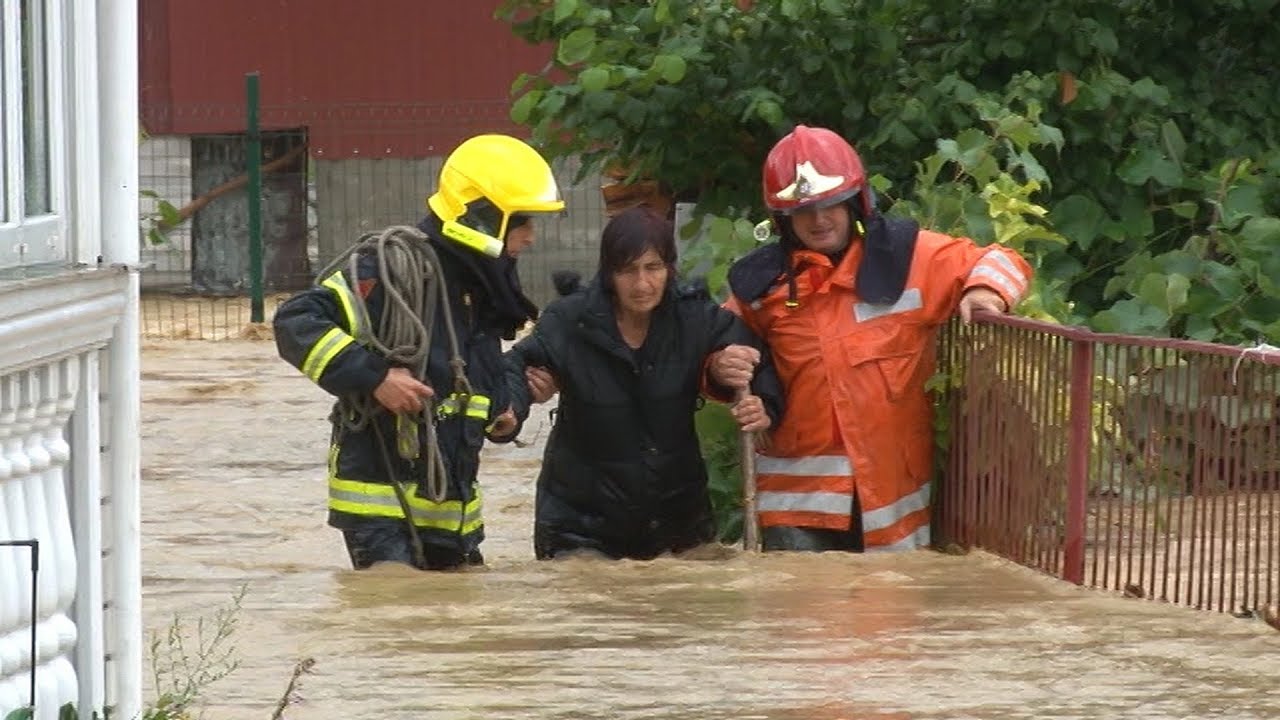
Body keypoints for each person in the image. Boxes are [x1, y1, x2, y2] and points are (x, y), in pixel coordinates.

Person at [713, 124, 1033, 553]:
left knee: (888, 597)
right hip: (795, 502)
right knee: (797, 598)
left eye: (830, 205)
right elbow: (718, 348)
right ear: (783, 219)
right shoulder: (760, 284)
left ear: (854, 202)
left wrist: (984, 292)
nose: (818, 220)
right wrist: (720, 368)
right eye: (804, 211)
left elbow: (1001, 260)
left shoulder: (909, 257)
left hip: (890, 500)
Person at [273, 134, 565, 571]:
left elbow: (474, 388)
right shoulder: (391, 269)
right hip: (382, 507)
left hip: (451, 513)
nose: (531, 236)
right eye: (523, 221)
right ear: (484, 216)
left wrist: (510, 409)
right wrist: (376, 378)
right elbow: (296, 322)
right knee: (398, 608)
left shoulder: (479, 288)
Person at [504, 205, 785, 560]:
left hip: (678, 524)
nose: (641, 285)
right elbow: (515, 366)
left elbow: (759, 359)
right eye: (627, 270)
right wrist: (509, 413)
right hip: (580, 528)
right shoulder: (569, 321)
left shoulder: (694, 318)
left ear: (670, 268)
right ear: (608, 273)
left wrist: (763, 404)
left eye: (653, 268)